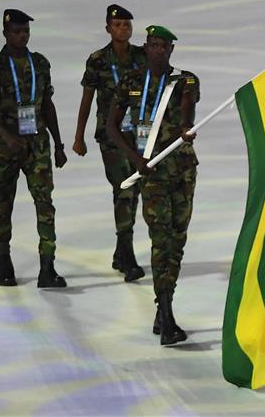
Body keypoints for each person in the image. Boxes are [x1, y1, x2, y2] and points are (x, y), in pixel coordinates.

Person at [107, 25, 199, 346]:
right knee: (160, 240)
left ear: (171, 50)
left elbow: (188, 108)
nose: (158, 50)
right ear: (145, 47)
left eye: (164, 46)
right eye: (153, 45)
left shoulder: (185, 81)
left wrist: (186, 126)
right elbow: (112, 125)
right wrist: (134, 158)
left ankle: (164, 308)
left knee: (177, 239)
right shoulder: (132, 83)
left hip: (183, 172)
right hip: (153, 175)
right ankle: (167, 310)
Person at [0, 9, 68, 288]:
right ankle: (3, 261)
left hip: (37, 144)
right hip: (4, 147)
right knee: (3, 202)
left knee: (45, 204)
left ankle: (47, 266)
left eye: (25, 31)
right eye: (17, 31)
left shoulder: (40, 63)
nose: (22, 36)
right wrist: (7, 138)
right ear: (6, 33)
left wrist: (58, 143)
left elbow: (46, 105)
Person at [73, 4, 147, 281]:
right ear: (108, 28)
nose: (123, 29)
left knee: (134, 190)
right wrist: (78, 136)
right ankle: (127, 255)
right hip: (111, 135)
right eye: (117, 25)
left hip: (138, 134)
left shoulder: (141, 56)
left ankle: (120, 251)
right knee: (123, 189)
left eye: (127, 24)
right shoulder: (98, 60)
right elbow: (87, 99)